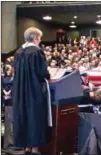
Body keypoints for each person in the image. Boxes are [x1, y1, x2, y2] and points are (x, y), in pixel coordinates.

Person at [12, 27, 51, 155]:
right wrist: (49, 76)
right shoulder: (36, 51)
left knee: (24, 115)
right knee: (35, 117)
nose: (39, 41)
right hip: (34, 90)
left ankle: (26, 148)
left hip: (20, 91)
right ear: (35, 38)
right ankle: (34, 149)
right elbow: (42, 72)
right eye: (39, 38)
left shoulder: (18, 52)